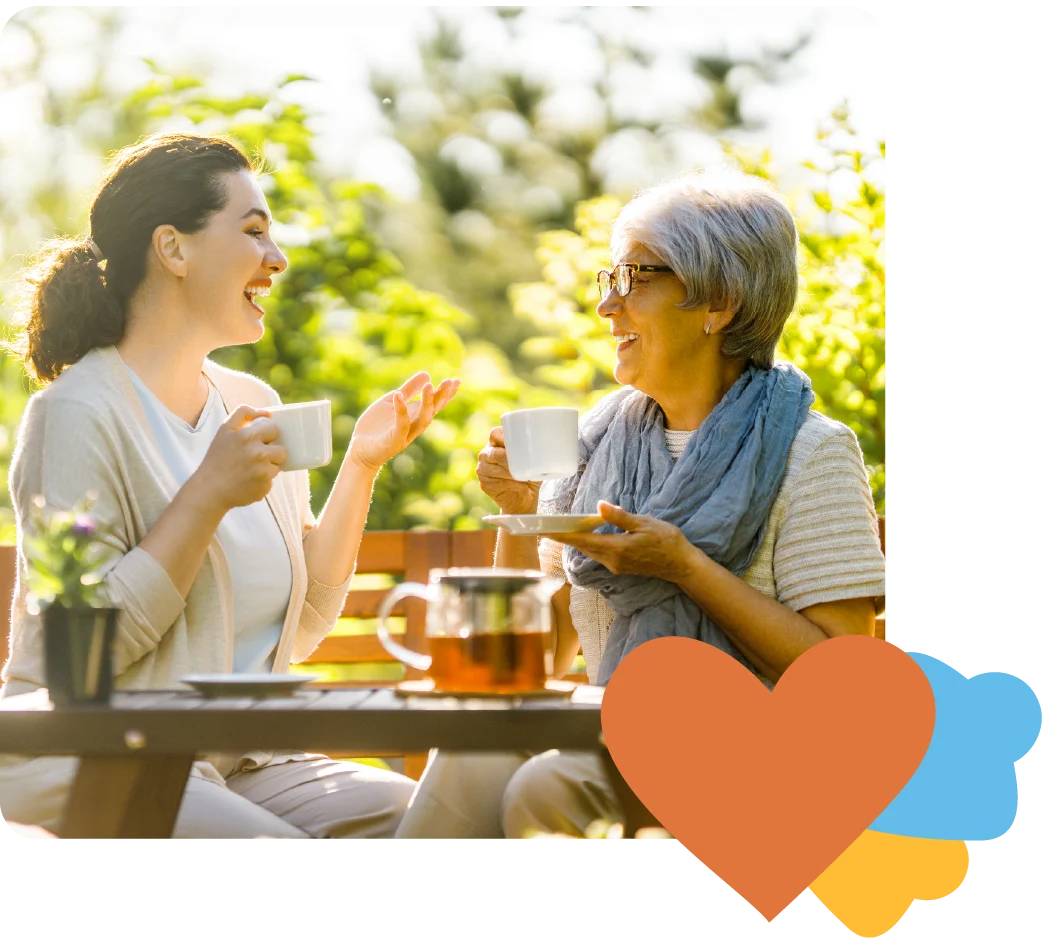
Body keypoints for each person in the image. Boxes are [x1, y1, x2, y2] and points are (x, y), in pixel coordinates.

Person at [395, 168, 887, 840]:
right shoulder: (599, 443)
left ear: (720, 302)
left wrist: (685, 567)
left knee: (545, 785)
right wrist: (519, 510)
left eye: (634, 279)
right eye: (609, 280)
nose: (606, 307)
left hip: (761, 754)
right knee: (474, 751)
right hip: (607, 731)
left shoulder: (809, 451)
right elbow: (536, 664)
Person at [0, 132, 460, 839]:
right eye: (252, 232)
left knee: (431, 821)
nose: (276, 259)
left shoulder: (250, 400)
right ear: (173, 249)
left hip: (237, 760)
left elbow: (300, 632)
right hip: (87, 749)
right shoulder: (73, 415)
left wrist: (362, 466)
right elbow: (74, 656)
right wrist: (207, 496)